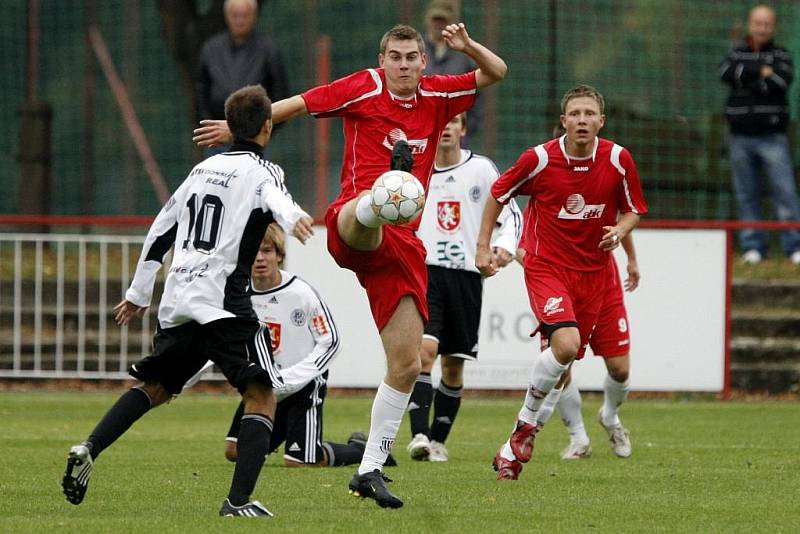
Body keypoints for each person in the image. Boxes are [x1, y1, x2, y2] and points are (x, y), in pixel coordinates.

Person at [193, 23, 506, 508]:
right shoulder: (364, 86)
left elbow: (496, 72)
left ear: (425, 62)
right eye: (395, 57)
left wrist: (465, 48)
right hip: (352, 224)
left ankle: (370, 469)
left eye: (412, 57)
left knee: (405, 364)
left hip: (402, 249)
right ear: (383, 61)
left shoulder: (439, 94)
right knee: (375, 206)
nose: (403, 65)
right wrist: (241, 129)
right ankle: (384, 196)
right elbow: (297, 105)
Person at [61, 85, 314, 518]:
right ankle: (238, 502)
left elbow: (161, 229)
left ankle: (90, 446)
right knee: (262, 394)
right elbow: (277, 200)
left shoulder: (201, 171)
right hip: (224, 304)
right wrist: (294, 219)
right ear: (268, 126)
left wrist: (138, 293)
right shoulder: (263, 171)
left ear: (229, 127)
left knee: (155, 387)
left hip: (179, 298)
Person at [476, 84, 647, 480]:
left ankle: (592, 418)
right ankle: (535, 429)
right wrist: (483, 245)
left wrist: (621, 234)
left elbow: (632, 209)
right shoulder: (539, 159)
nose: (582, 120)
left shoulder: (619, 159)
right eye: (576, 114)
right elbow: (498, 194)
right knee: (565, 347)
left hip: (597, 275)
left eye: (590, 114)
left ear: (601, 121)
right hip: (547, 266)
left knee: (617, 368)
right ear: (564, 120)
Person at [188, 223, 394, 468]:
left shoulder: (301, 294)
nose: (260, 258)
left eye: (267, 251)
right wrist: (183, 379)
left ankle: (358, 450)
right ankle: (286, 432)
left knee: (301, 462)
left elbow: (331, 341)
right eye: (253, 251)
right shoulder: (237, 296)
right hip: (265, 385)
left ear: (279, 255)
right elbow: (218, 342)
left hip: (305, 384)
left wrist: (296, 377)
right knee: (235, 452)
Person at [407, 112, 521, 462]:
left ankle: (438, 442)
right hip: (426, 273)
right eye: (440, 121)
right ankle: (420, 436)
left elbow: (512, 214)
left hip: (466, 276)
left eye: (453, 121)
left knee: (453, 365)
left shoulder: (482, 170)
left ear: (463, 129)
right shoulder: (416, 171)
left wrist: (505, 246)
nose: (445, 127)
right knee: (424, 353)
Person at [536, 233, 639, 461]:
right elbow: (523, 246)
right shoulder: (540, 202)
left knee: (620, 368)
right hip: (561, 284)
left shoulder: (599, 197)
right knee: (561, 366)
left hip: (603, 284)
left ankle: (610, 417)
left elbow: (623, 215)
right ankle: (579, 439)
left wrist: (631, 257)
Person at [719, 4, 800, 265]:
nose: (762, 28)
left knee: (785, 192)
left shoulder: (782, 55)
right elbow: (725, 73)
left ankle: (794, 247)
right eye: (757, 23)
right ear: (750, 25)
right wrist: (761, 71)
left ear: (773, 27)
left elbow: (780, 82)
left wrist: (746, 73)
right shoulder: (736, 52)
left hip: (773, 136)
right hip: (739, 136)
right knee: (746, 193)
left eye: (767, 24)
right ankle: (753, 247)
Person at [195, 0, 289, 154]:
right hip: (217, 138)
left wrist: (263, 130)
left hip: (256, 139)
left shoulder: (268, 50)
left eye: (245, 15)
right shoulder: (211, 49)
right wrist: (208, 126)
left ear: (254, 16)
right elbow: (200, 91)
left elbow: (281, 92)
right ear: (227, 16)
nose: (240, 20)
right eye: (235, 15)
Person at [422, 1, 483, 144]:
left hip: (455, 137)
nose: (438, 24)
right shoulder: (415, 49)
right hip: (420, 132)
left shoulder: (464, 54)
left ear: (451, 22)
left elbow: (477, 96)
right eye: (435, 19)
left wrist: (467, 129)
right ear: (428, 20)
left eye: (443, 20)